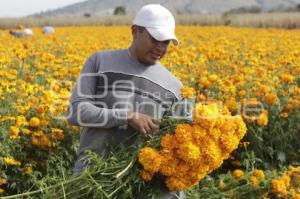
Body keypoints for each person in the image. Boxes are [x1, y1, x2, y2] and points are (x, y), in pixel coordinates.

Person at [66, 4, 184, 199]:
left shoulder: (175, 87)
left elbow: (177, 149)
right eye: (155, 39)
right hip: (92, 180)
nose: (161, 48)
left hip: (142, 189)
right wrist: (126, 116)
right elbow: (76, 112)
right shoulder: (100, 62)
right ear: (135, 31)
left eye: (167, 42)